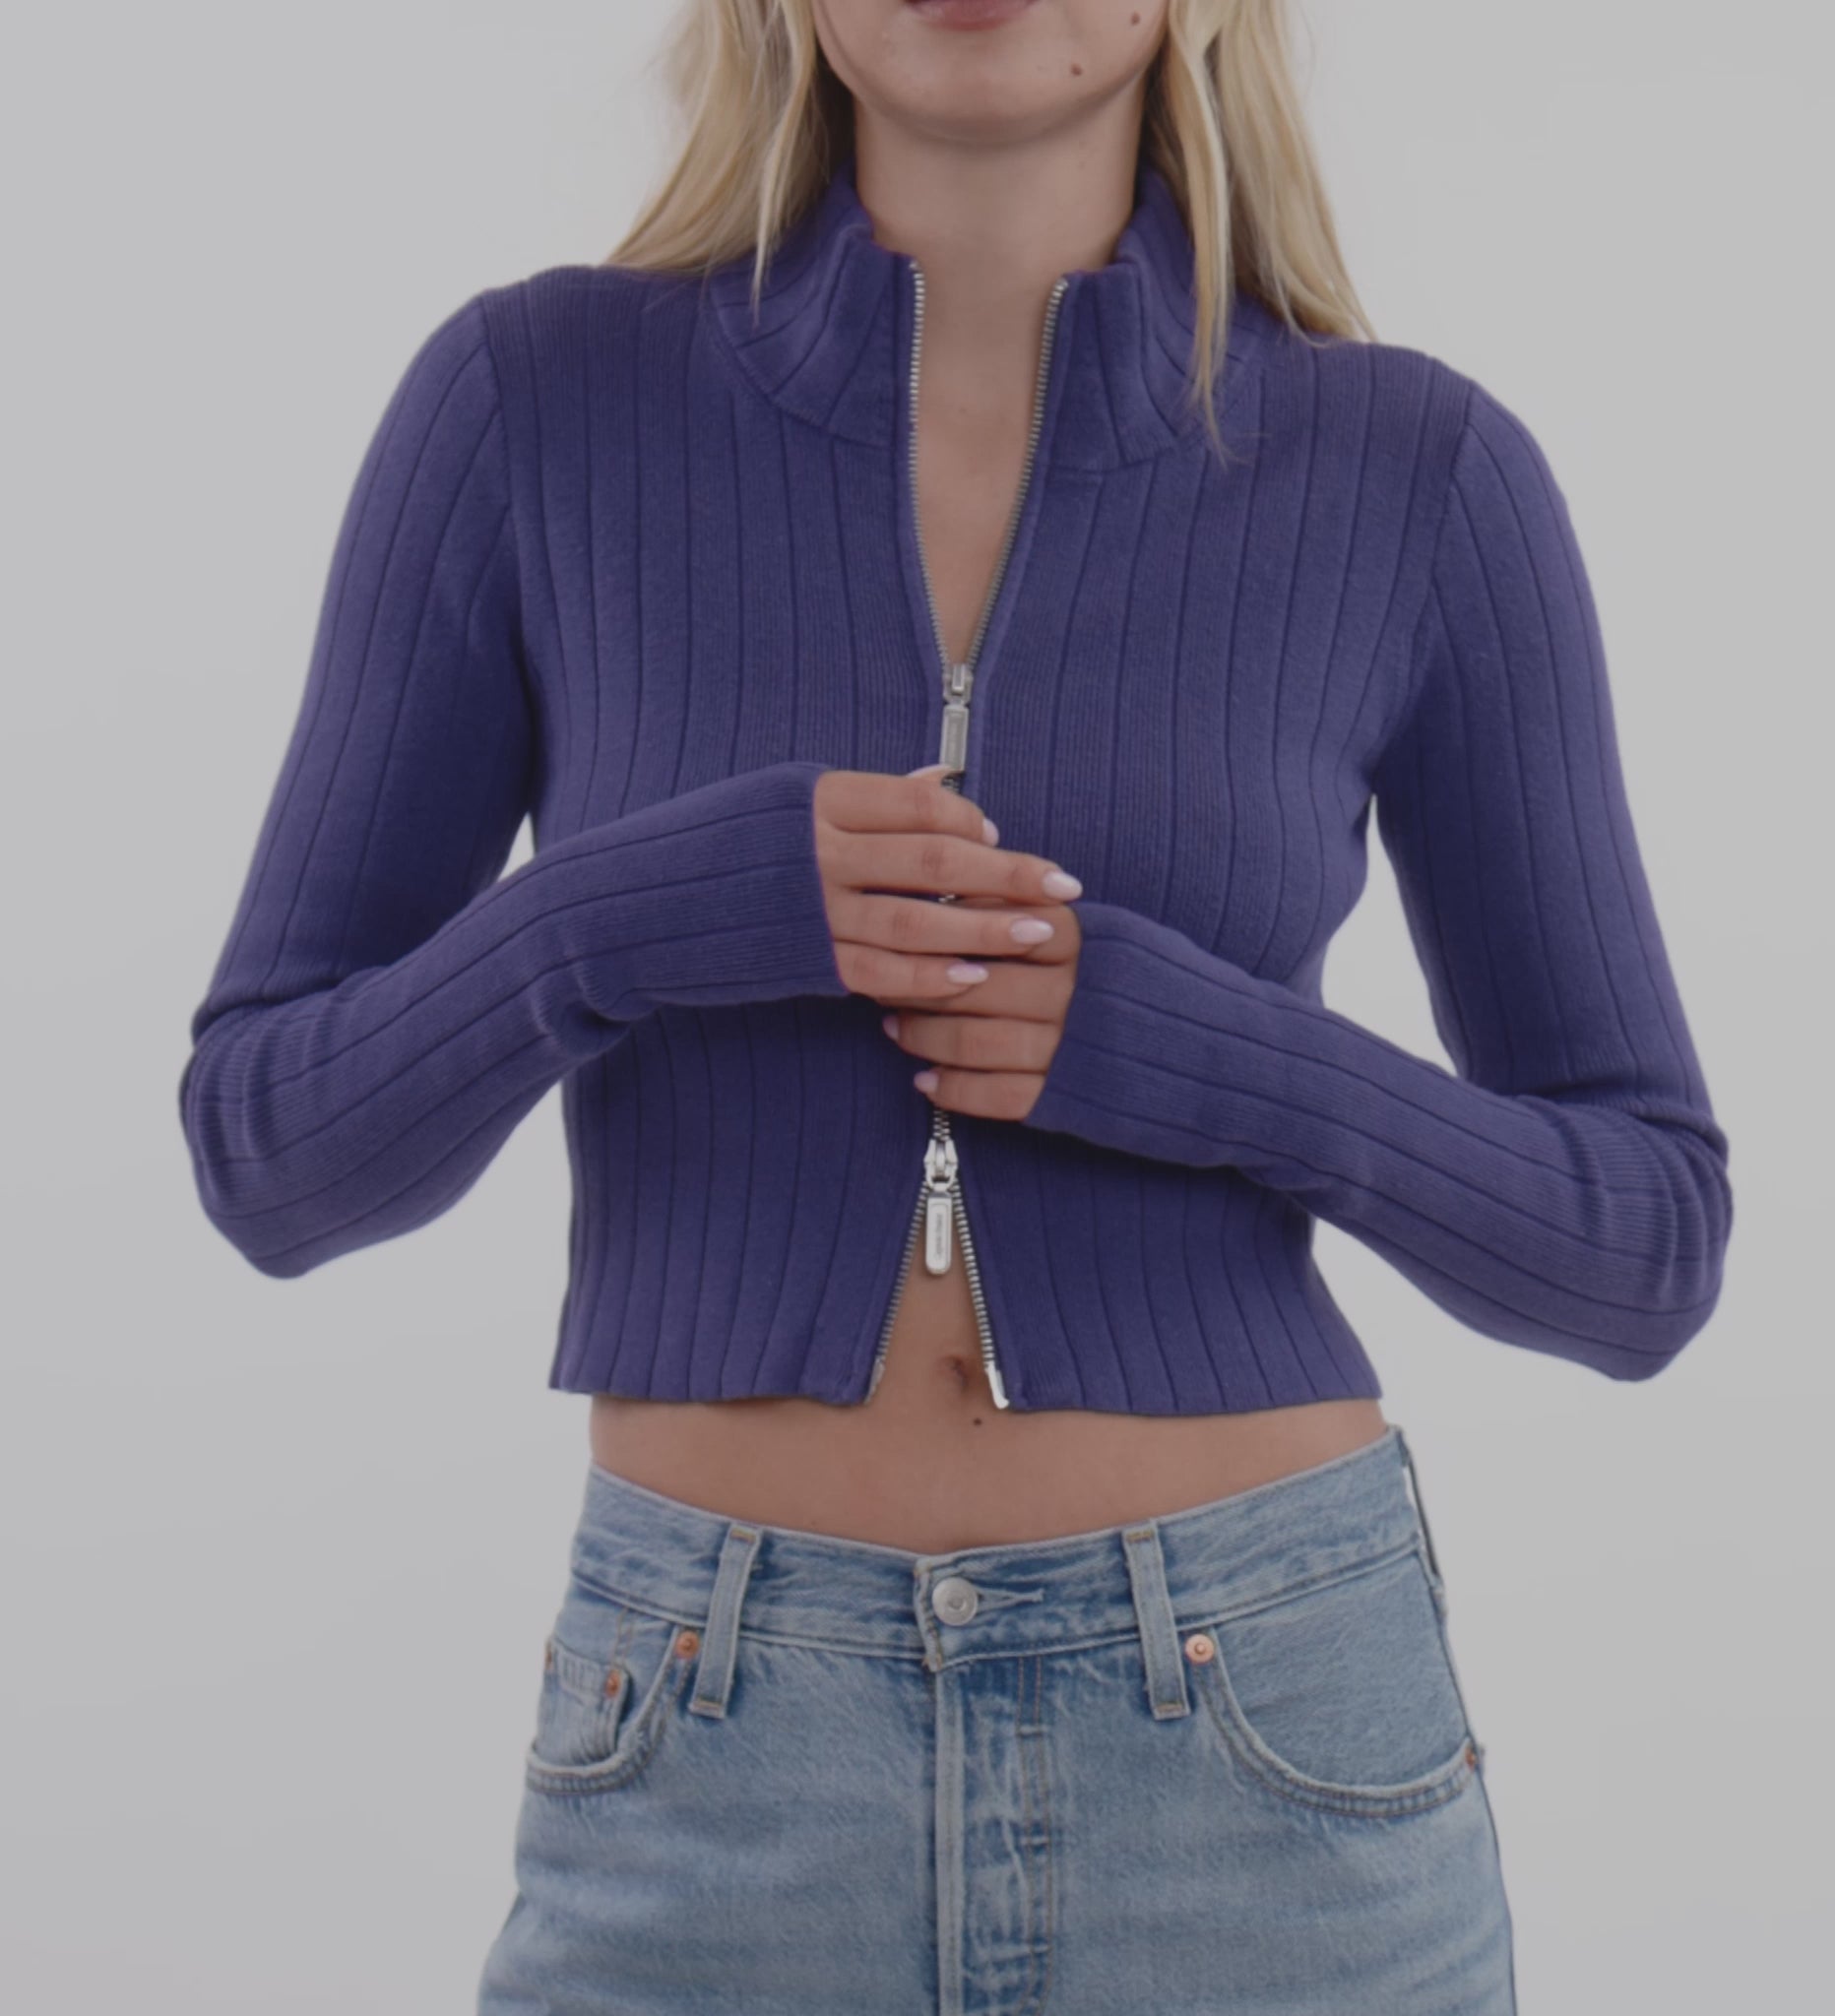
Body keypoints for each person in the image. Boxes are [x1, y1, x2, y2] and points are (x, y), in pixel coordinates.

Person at [177, 2, 1734, 2008]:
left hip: (1261, 1740)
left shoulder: (1417, 472)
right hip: (710, 1750)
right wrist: (632, 915)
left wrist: (1204, 1060)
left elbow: (1638, 1249)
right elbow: (274, 1153)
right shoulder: (531, 408)